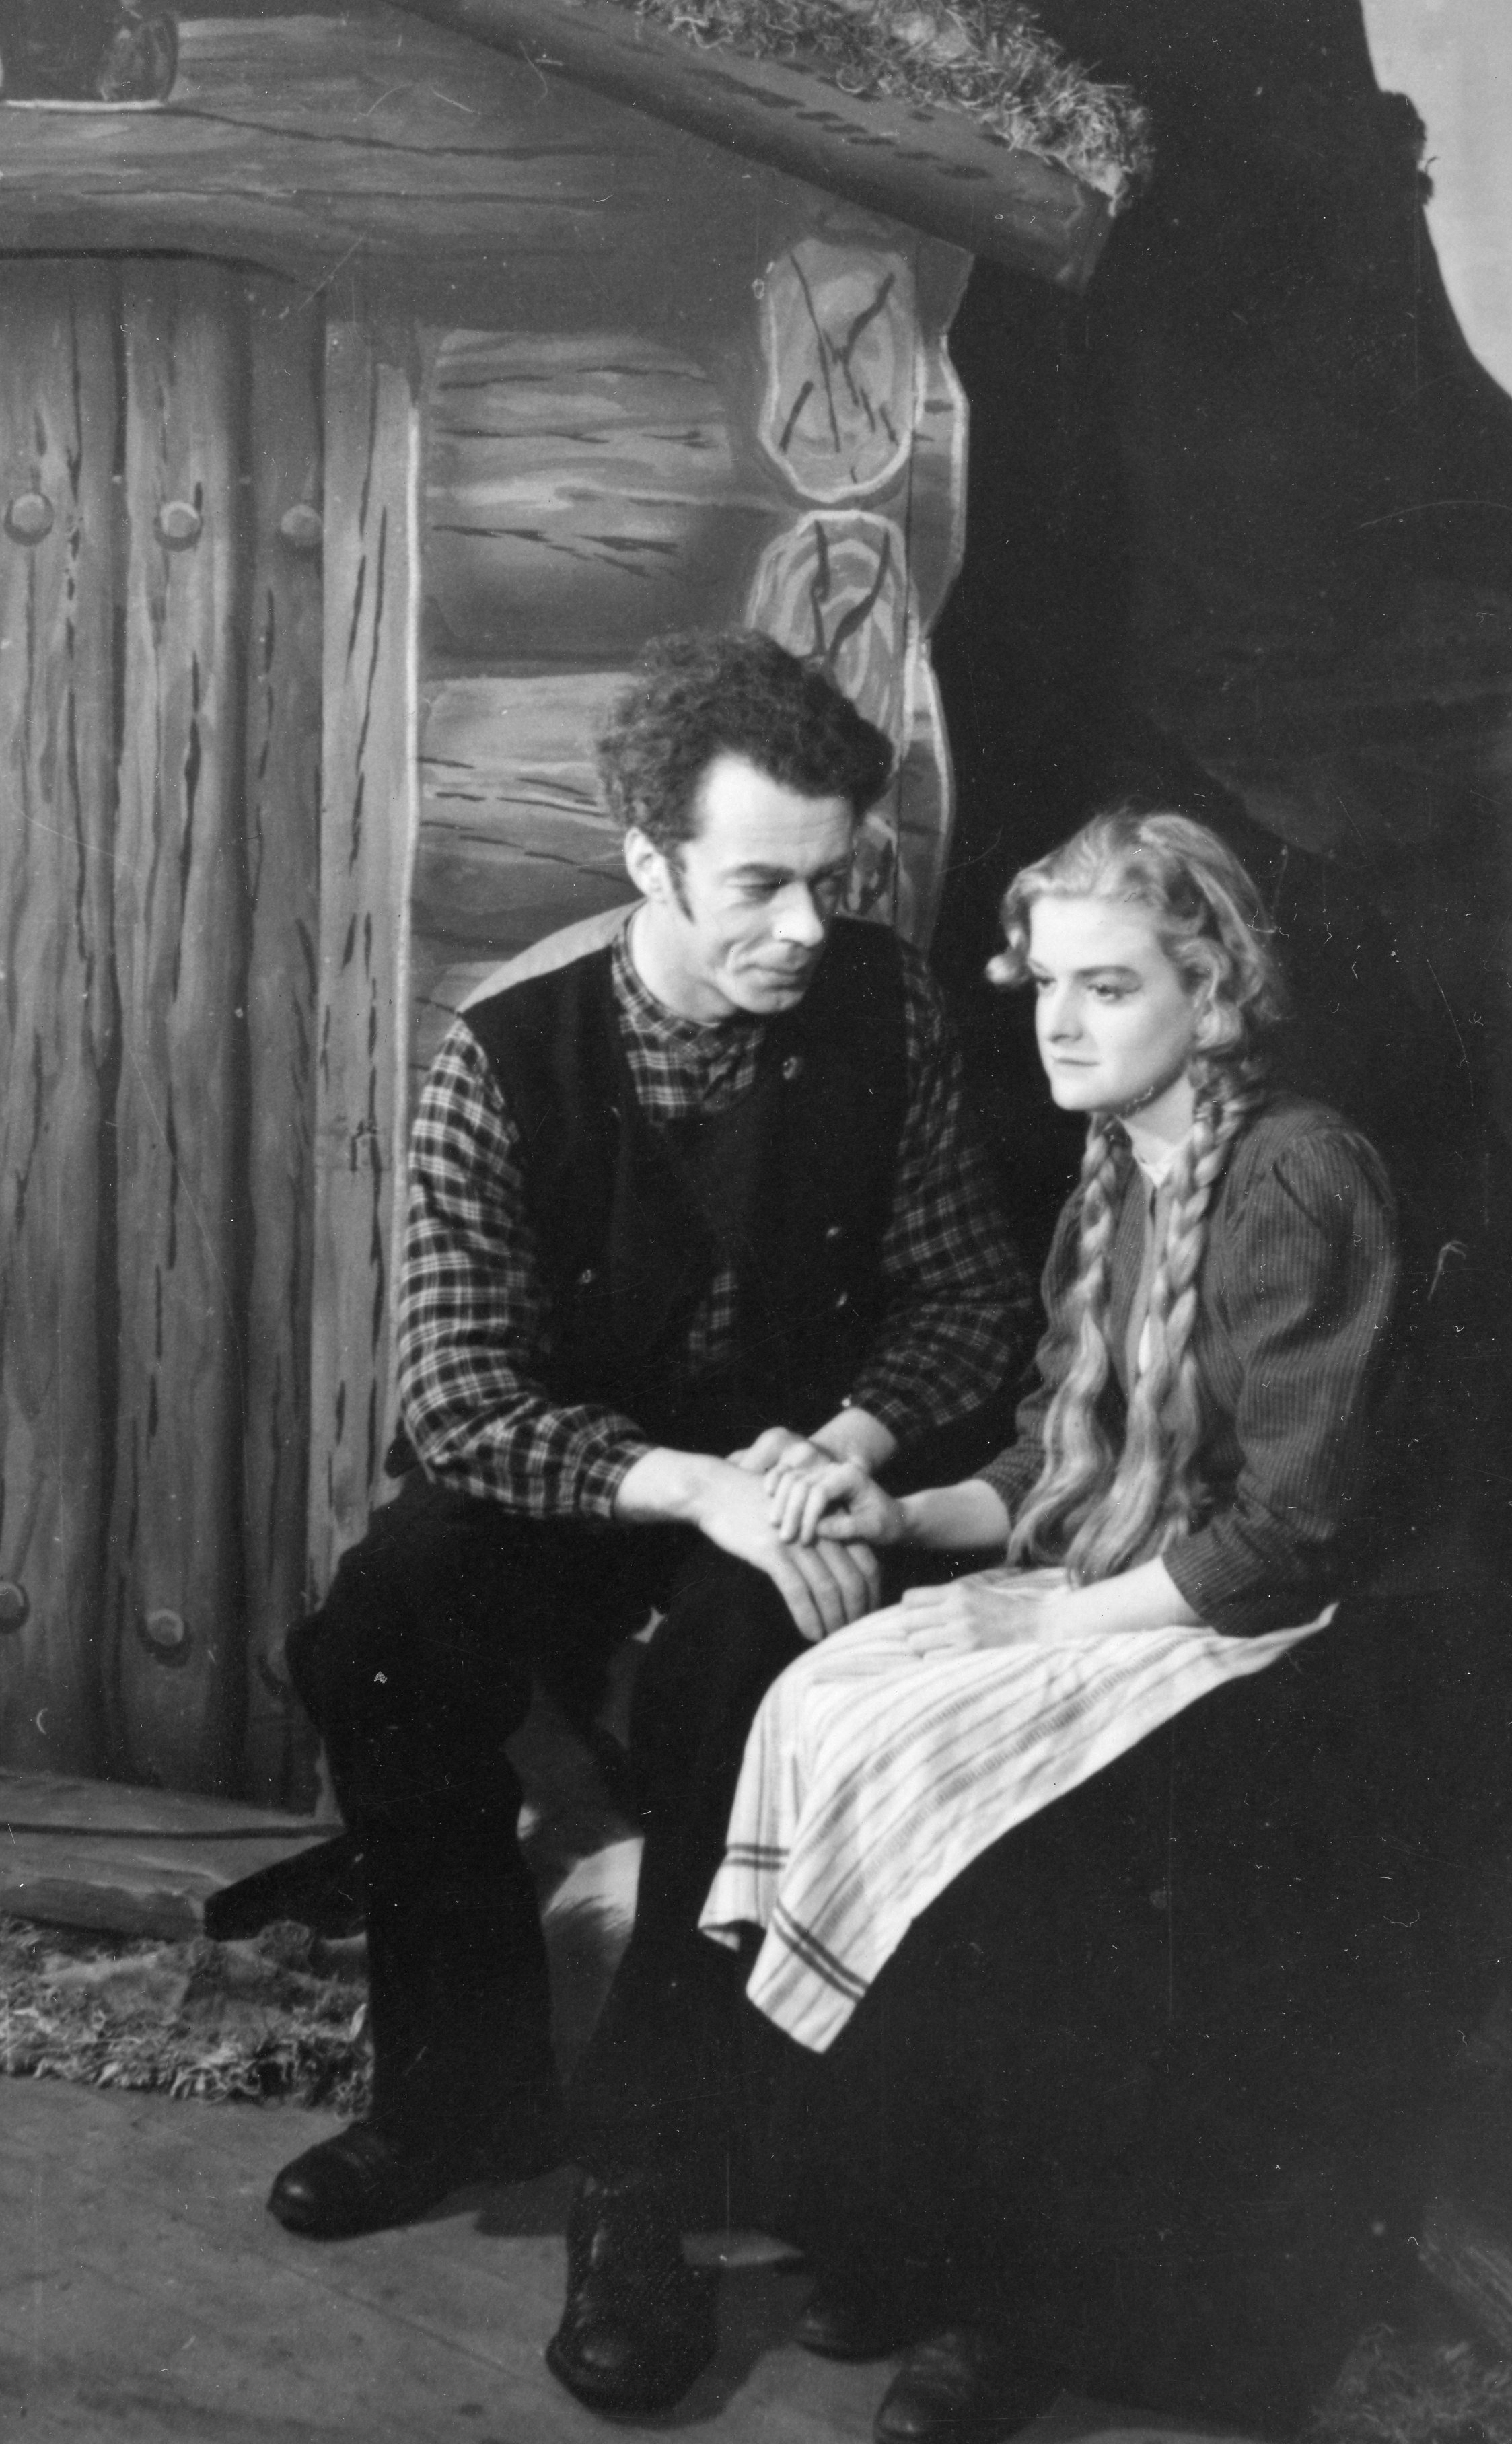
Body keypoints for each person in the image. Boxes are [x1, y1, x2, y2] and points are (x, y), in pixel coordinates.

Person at [268, 631, 1032, 2418]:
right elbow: (460, 1400)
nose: (803, 926)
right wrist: (700, 1486)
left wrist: (829, 1461)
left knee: (737, 1685)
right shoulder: (504, 1047)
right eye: (757, 883)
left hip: (800, 1479)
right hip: (589, 1472)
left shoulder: (889, 1009)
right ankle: (457, 2093)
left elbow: (970, 1301)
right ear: (646, 862)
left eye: (832, 880)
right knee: (379, 1628)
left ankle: (641, 2182)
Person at [699, 810, 1418, 2444]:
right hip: (1130, 1575)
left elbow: (1292, 1527)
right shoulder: (1116, 1163)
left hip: (1274, 1627)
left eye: (1111, 986)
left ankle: (1010, 2305)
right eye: (1046, 985)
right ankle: (895, 2220)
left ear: (1212, 995)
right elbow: (1050, 1451)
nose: (1062, 1023)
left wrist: (1055, 1629)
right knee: (826, 1703)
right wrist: (902, 1517)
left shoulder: (1294, 1169)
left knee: (1006, 1829)